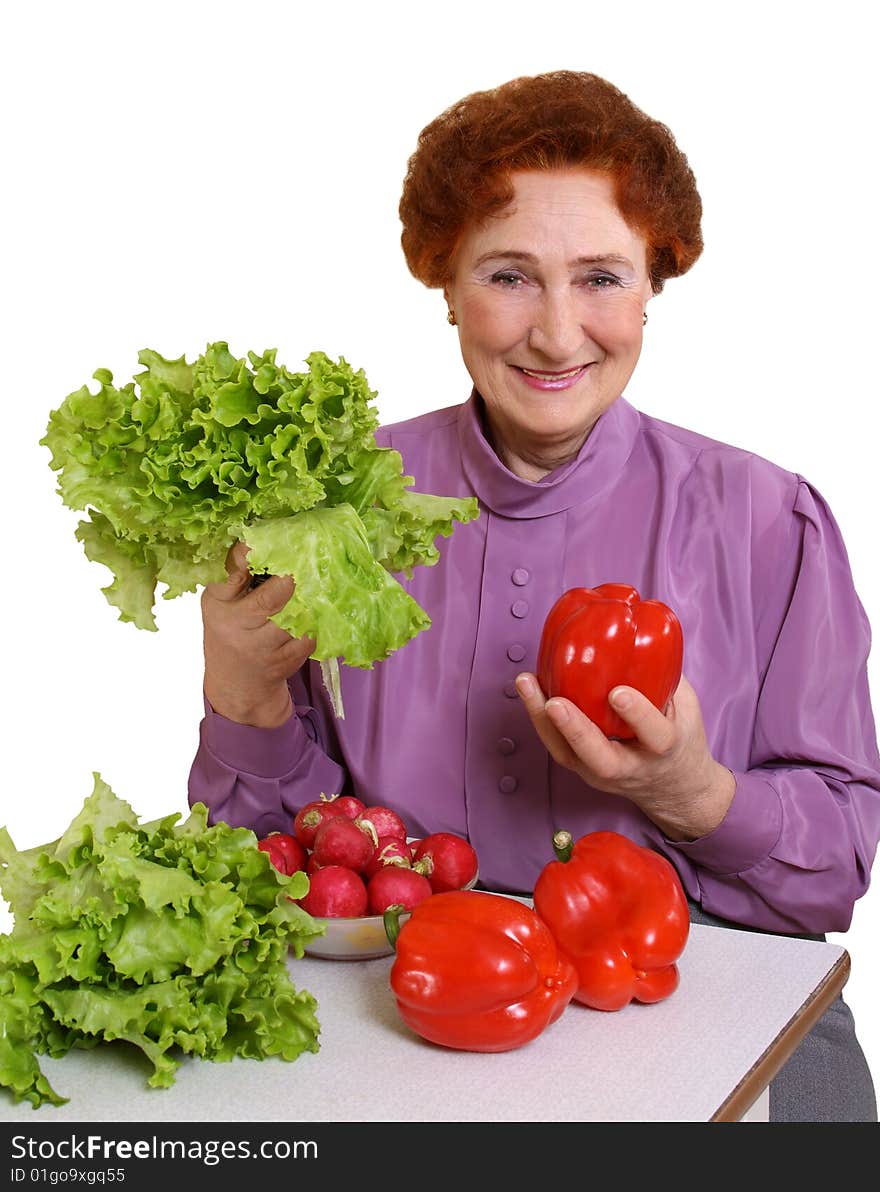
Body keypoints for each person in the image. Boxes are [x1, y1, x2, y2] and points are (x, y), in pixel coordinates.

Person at [188, 70, 880, 1121]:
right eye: (509, 275)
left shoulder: (765, 520)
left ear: (655, 282)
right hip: (421, 1010)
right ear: (444, 283)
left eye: (600, 277)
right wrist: (243, 692)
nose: (557, 335)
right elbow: (289, 872)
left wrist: (691, 793)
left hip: (724, 1007)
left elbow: (833, 873)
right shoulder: (341, 503)